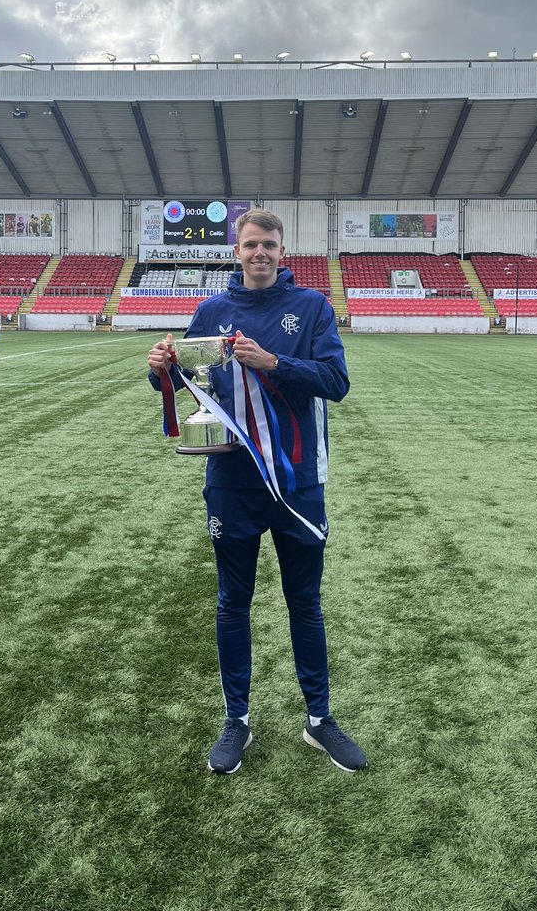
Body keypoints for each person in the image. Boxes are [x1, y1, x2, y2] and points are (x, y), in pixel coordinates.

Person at [147, 209, 366, 775]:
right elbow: (192, 382)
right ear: (236, 251)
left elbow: (336, 382)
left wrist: (275, 363)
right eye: (250, 245)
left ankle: (319, 719)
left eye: (268, 244)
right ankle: (237, 720)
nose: (259, 253)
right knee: (232, 603)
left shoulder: (312, 307)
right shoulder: (211, 312)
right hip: (231, 481)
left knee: (305, 603)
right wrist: (162, 368)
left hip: (296, 480)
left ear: (281, 250)